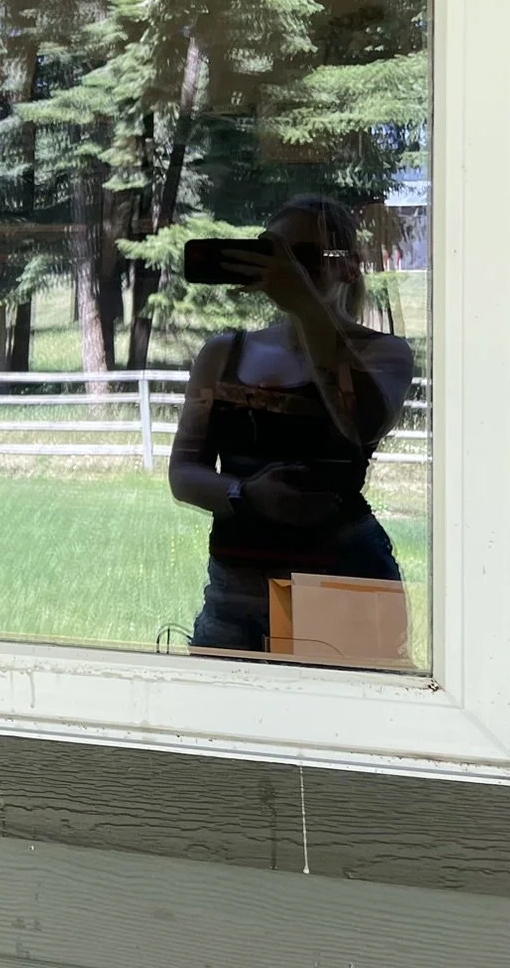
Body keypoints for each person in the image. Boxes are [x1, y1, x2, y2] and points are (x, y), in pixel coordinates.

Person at [166, 195, 417, 657]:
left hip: (343, 579)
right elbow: (183, 472)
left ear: (349, 269)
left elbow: (360, 422)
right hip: (235, 588)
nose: (292, 269)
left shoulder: (385, 353)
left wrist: (305, 305)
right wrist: (246, 496)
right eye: (278, 253)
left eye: (307, 256)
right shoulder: (223, 353)